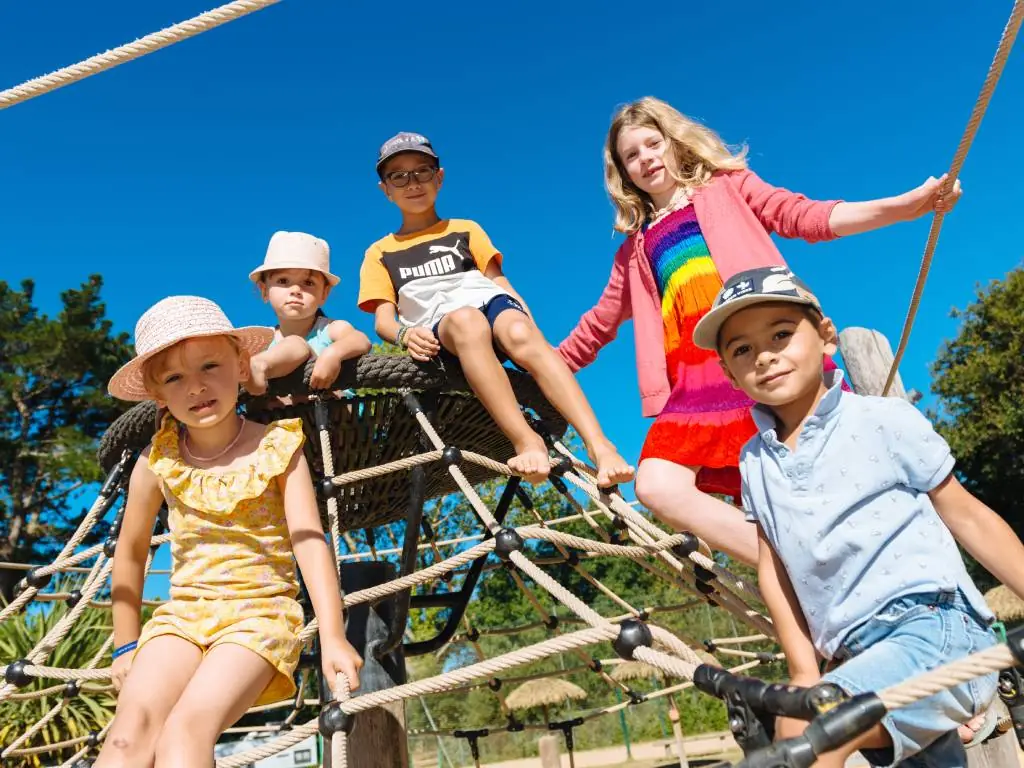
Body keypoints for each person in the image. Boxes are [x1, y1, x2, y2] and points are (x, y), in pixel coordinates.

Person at [557, 96, 961, 564]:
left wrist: (903, 207)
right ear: (623, 173)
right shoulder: (634, 253)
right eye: (632, 155)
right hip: (695, 389)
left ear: (674, 144)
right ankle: (795, 565)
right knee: (657, 484)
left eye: (653, 143)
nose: (646, 158)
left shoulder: (726, 189)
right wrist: (532, 365)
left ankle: (897, 559)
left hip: (765, 359)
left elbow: (805, 216)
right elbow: (595, 328)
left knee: (829, 476)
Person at [695, 265, 1021, 767]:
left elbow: (968, 515)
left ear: (825, 337)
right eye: (742, 349)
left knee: (808, 728)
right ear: (729, 373)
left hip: (935, 629)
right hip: (853, 658)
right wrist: (804, 672)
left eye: (781, 334)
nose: (764, 355)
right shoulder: (754, 463)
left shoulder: (880, 419)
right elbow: (773, 569)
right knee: (808, 705)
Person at [99, 296, 363, 767]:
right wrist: (125, 645)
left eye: (209, 366)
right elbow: (132, 551)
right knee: (126, 738)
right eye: (175, 378)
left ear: (241, 366)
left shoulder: (277, 447)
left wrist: (333, 635)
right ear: (158, 394)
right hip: (183, 618)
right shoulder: (156, 460)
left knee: (184, 734)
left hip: (258, 618)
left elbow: (308, 540)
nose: (196, 387)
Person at [358, 131, 633, 487]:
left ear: (439, 178)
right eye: (399, 176)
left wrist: (529, 324)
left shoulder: (465, 229)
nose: (413, 183)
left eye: (422, 171)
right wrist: (405, 334)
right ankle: (526, 440)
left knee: (519, 332)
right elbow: (383, 319)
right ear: (386, 189)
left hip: (489, 303)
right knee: (467, 322)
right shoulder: (380, 251)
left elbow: (499, 283)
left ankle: (601, 446)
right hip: (444, 325)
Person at [247, 230, 371, 395]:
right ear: (264, 291)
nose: (296, 290)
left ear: (324, 294)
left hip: (337, 411)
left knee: (297, 344)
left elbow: (361, 340)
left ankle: (257, 367)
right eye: (283, 281)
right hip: (285, 416)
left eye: (308, 282)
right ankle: (252, 373)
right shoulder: (264, 343)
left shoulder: (330, 329)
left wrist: (333, 354)